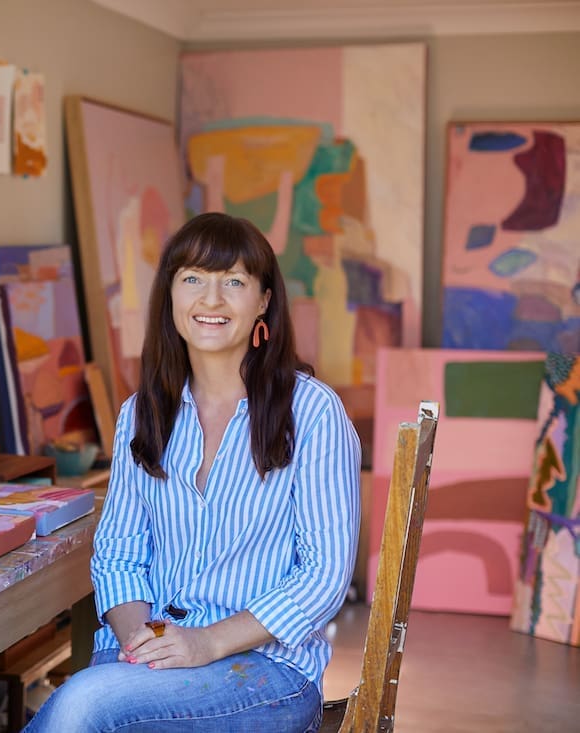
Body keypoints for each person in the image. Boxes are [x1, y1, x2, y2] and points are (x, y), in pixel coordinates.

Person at [24, 212, 360, 732]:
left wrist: (206, 642)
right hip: (148, 657)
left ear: (264, 301)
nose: (211, 300)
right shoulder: (143, 412)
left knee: (82, 707)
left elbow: (324, 576)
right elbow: (118, 553)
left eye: (234, 282)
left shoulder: (312, 413)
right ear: (171, 295)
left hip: (263, 674)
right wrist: (148, 644)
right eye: (193, 280)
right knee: (89, 703)